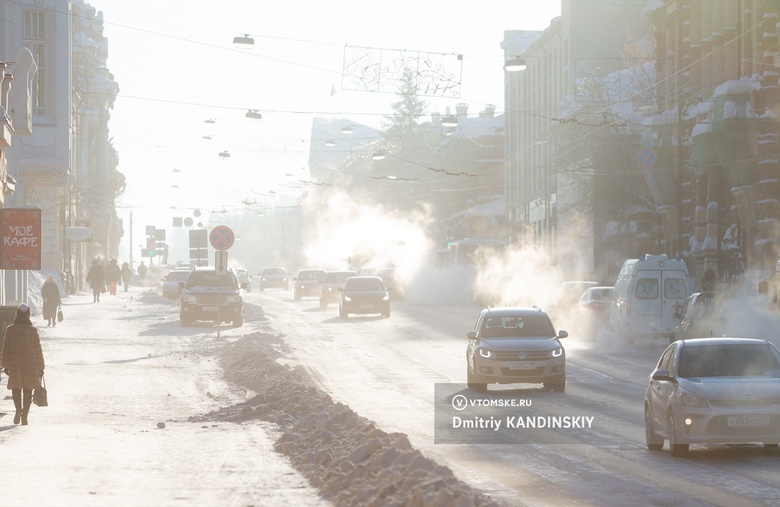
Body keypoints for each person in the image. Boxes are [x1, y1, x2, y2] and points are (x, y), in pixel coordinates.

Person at [1, 304, 45, 425]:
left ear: (17, 314)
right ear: (28, 315)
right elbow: (37, 350)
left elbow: (6, 348)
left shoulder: (10, 329)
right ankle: (24, 416)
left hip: (15, 364)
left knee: (16, 388)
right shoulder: (32, 330)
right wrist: (41, 367)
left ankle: (18, 410)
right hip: (30, 364)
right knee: (28, 389)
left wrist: (5, 364)